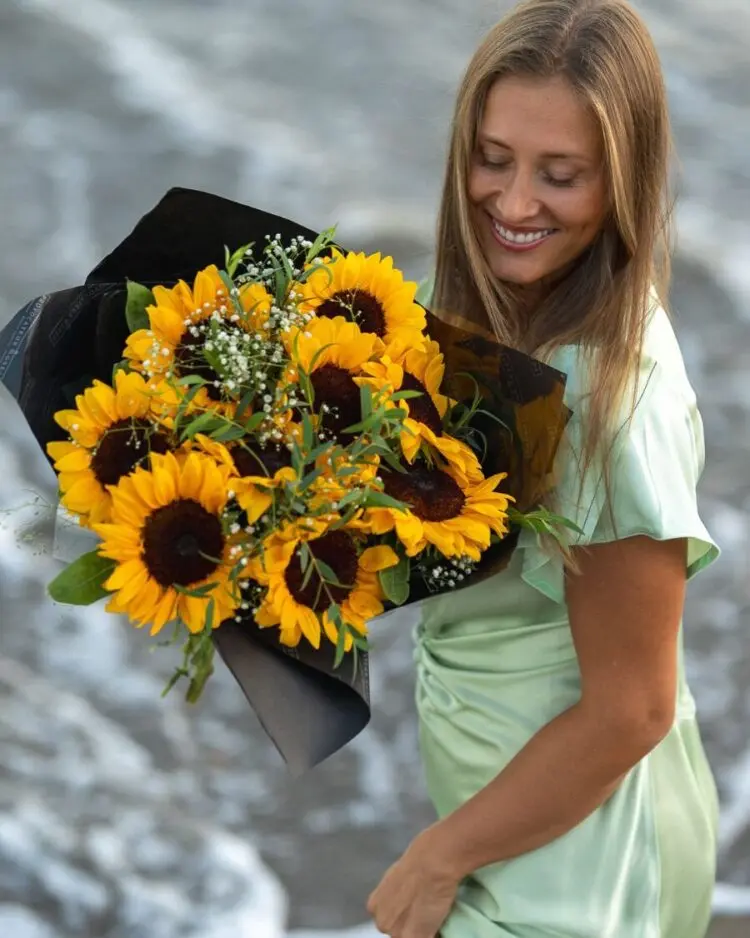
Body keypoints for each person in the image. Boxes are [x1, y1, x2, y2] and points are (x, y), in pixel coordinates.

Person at [365, 1, 720, 936]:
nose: (515, 204)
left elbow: (632, 709)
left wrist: (433, 861)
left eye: (560, 176)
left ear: (623, 183)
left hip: (582, 866)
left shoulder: (610, 396)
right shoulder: (523, 322)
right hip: (521, 812)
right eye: (493, 159)